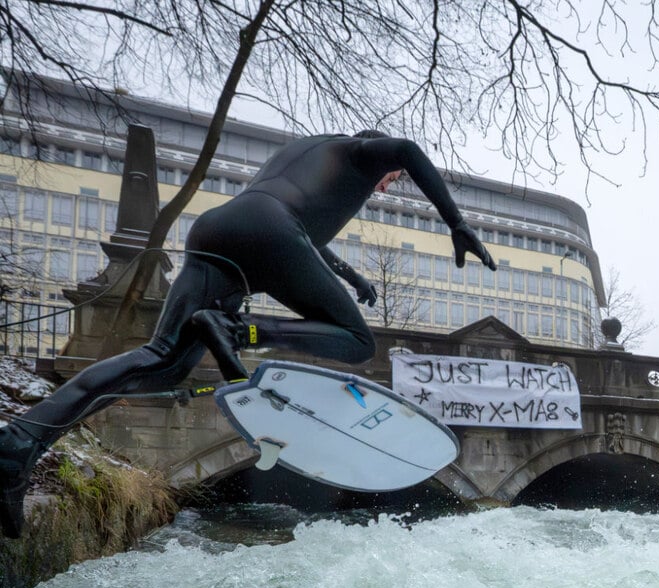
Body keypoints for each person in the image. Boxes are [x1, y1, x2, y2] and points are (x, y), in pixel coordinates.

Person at [0, 131, 496, 538]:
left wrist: (350, 275)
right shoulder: (362, 152)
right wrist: (457, 222)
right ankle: (241, 328)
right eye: (393, 179)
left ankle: (19, 445)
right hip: (269, 235)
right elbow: (406, 150)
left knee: (161, 362)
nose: (388, 184)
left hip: (217, 233)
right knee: (355, 340)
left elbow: (299, 231)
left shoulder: (305, 153)